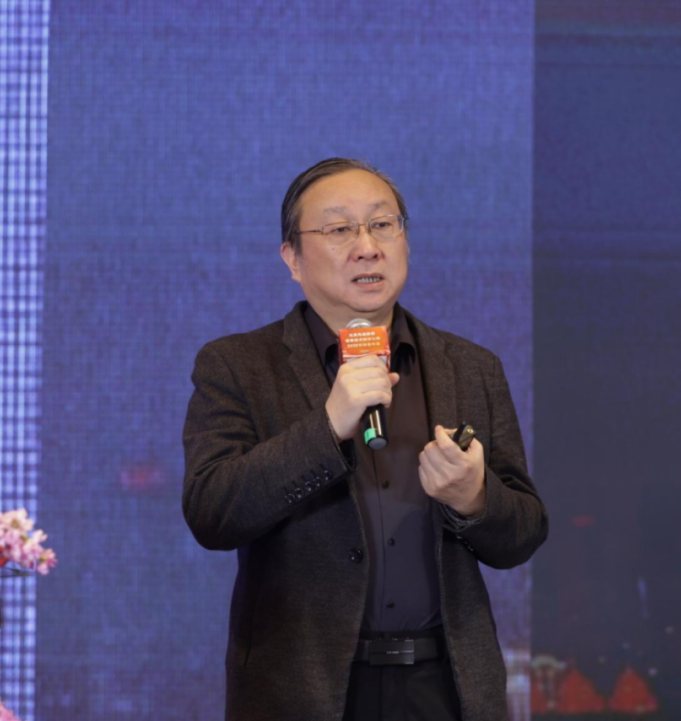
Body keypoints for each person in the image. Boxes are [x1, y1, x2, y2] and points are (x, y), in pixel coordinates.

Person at [183, 158, 548, 721]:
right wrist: (328, 426)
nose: (367, 247)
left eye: (383, 225)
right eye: (339, 229)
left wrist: (474, 498)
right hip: (304, 691)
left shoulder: (470, 367)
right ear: (292, 259)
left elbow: (522, 533)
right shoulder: (238, 365)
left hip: (443, 689)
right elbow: (213, 512)